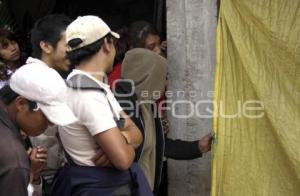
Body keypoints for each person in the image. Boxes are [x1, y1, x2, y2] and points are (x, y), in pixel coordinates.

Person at [52, 15, 152, 196]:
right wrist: (124, 143)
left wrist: (123, 139)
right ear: (107, 44)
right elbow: (123, 159)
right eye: (112, 43)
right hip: (102, 187)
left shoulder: (91, 85)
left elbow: (136, 132)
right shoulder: (86, 93)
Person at [114, 48, 212, 194]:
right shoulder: (120, 109)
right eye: (163, 76)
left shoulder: (148, 107)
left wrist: (198, 147)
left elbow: (159, 145)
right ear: (149, 77)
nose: (166, 83)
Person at [0, 62, 77, 196]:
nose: (52, 124)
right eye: (46, 116)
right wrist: (29, 174)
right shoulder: (15, 162)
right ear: (21, 104)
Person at [27, 14, 73, 195]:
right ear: (45, 46)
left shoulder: (47, 77)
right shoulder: (37, 81)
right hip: (45, 178)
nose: (74, 51)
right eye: (68, 45)